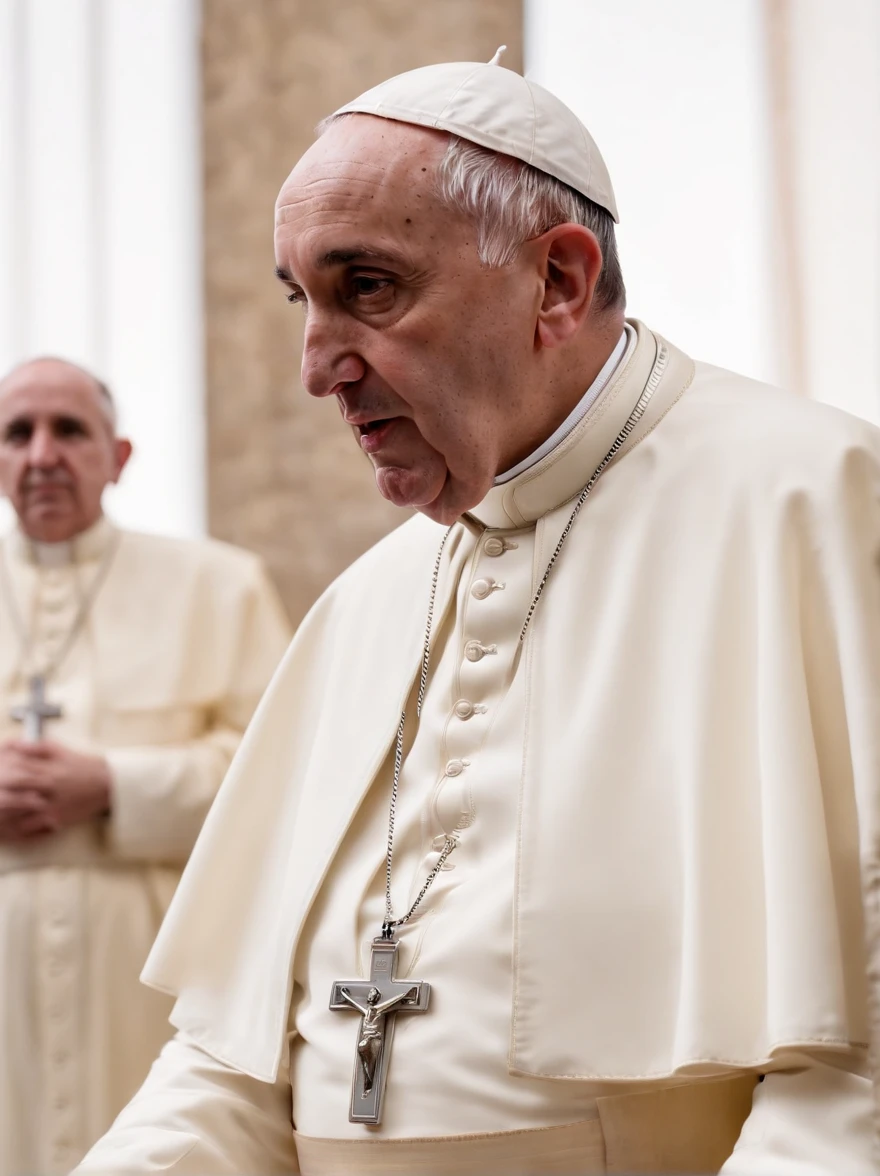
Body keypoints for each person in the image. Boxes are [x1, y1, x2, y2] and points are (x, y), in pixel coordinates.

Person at [76, 56, 879, 1175]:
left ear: (555, 280)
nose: (315, 367)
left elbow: (858, 1076)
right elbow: (231, 1067)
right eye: (298, 298)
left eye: (367, 287)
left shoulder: (813, 501)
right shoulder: (367, 602)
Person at [0, 357, 291, 1175]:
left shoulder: (219, 586)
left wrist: (112, 785)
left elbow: (277, 783)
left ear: (118, 456)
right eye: (17, 433)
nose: (42, 454)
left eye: (70, 430)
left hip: (153, 971)